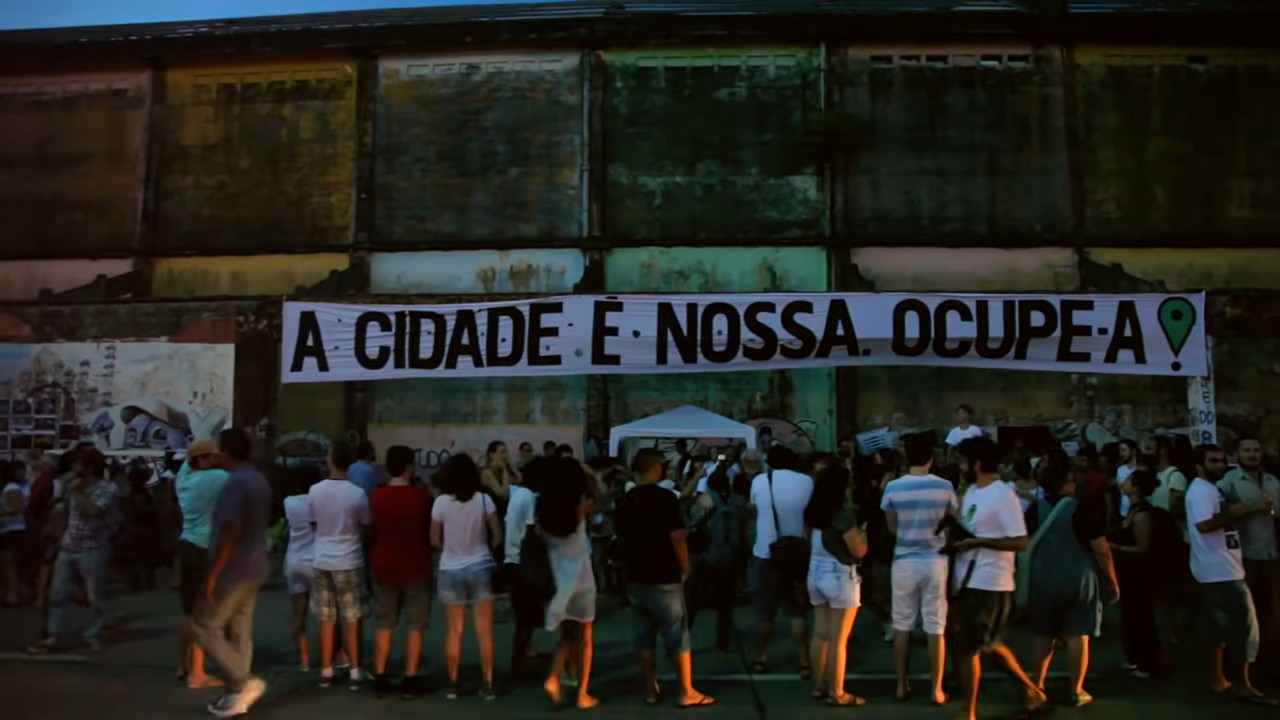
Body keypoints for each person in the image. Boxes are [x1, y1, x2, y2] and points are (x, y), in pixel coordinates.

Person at [949, 437, 1046, 720]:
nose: (960, 466)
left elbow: (1020, 541)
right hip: (968, 578)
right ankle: (1030, 691)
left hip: (991, 580)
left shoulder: (1003, 494)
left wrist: (978, 542)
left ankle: (968, 710)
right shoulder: (972, 492)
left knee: (972, 648)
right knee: (986, 644)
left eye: (963, 461)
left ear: (977, 463)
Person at [615, 448, 714, 709]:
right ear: (656, 468)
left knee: (643, 635)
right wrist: (684, 566)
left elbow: (620, 536)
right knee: (676, 633)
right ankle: (686, 690)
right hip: (664, 574)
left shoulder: (627, 500)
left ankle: (650, 689)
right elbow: (677, 536)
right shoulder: (665, 498)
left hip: (636, 575)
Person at [1185, 443, 1275, 705]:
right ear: (1200, 464)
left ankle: (1218, 679)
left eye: (1223, 461)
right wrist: (1241, 511)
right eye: (1213, 461)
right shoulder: (1202, 491)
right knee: (1245, 629)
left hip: (1219, 566)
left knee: (1217, 628)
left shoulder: (1210, 489)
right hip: (1220, 570)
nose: (1221, 466)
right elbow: (1204, 525)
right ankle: (1242, 684)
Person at [1024, 457, 1118, 706]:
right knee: (1078, 635)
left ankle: (1037, 687)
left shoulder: (1035, 509)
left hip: (1042, 578)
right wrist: (1111, 581)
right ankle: (1076, 690)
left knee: (1043, 635)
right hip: (1079, 578)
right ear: (1067, 481)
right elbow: (1101, 549)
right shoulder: (1081, 509)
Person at [196, 428, 273, 719]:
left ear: (227, 452)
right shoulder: (258, 480)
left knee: (207, 626)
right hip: (255, 563)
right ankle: (237, 694)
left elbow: (231, 529)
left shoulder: (237, 483)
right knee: (240, 628)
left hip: (235, 567)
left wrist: (215, 571)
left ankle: (242, 682)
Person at [880, 433, 957, 704]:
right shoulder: (945, 486)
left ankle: (902, 685)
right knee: (935, 625)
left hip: (904, 560)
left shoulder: (893, 488)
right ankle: (937, 689)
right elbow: (952, 523)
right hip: (935, 560)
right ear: (931, 458)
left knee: (902, 624)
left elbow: (891, 527)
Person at [27, 448, 117, 655]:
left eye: (79, 464)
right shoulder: (69, 482)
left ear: (90, 467)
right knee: (57, 594)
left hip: (93, 548)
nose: (75, 467)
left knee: (95, 597)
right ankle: (54, 635)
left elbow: (94, 511)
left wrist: (76, 492)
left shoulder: (107, 488)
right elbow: (62, 509)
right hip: (69, 546)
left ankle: (91, 635)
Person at [430, 454, 502, 700]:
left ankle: (452, 683)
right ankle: (488, 683)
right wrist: (485, 546)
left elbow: (433, 539)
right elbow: (497, 535)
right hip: (480, 565)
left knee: (454, 631)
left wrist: (448, 549)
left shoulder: (440, 503)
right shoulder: (484, 500)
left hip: (450, 568)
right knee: (484, 631)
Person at [368, 445, 434, 698]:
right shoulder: (420, 498)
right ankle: (410, 677)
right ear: (409, 466)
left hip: (383, 562)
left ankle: (380, 675)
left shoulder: (377, 496)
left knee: (384, 622)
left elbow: (371, 530)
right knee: (415, 624)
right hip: (416, 564)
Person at [537, 457, 601, 710]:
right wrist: (592, 476)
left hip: (559, 579)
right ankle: (582, 693)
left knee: (567, 635)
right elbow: (603, 502)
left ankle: (554, 677)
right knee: (584, 637)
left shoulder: (542, 509)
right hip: (582, 577)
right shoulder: (579, 507)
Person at [308, 440, 373, 689]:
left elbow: (313, 523)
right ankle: (355, 670)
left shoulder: (315, 491)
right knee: (352, 617)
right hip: (350, 558)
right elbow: (366, 525)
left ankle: (326, 670)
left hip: (322, 557)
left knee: (326, 618)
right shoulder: (357, 494)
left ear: (330, 461)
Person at [804, 464, 867, 706]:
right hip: (839, 575)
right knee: (839, 639)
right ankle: (837, 692)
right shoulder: (843, 515)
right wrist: (864, 534)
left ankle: (819, 685)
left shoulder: (814, 512)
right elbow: (858, 550)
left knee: (820, 633)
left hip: (815, 571)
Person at [748, 444, 814, 676]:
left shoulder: (759, 481)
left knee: (764, 612)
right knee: (797, 610)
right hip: (796, 553)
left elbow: (756, 509)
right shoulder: (806, 482)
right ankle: (804, 660)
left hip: (766, 552)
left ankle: (760, 658)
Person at [1218, 435, 1280, 676]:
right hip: (1242, 557)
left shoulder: (1272, 481)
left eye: (1256, 450)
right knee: (1243, 615)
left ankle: (1266, 664)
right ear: (1237, 454)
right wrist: (1252, 507)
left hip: (1269, 554)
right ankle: (1239, 667)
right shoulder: (1228, 482)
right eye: (1247, 450)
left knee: (1270, 614)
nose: (1253, 454)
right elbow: (1220, 517)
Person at [174, 438, 229, 689]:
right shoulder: (216, 478)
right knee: (203, 612)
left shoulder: (183, 480)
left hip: (186, 544)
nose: (217, 459)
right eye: (212, 456)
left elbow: (187, 463)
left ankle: (182, 664)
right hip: (204, 547)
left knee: (188, 612)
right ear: (203, 459)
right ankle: (198, 673)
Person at [1109, 468, 1171, 678]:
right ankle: (1136, 658)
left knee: (1141, 617)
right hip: (1130, 574)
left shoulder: (1142, 514)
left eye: (1128, 480)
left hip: (1141, 575)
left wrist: (1114, 548)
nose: (1123, 483)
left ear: (1135, 487)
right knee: (1132, 617)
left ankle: (1149, 662)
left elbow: (1143, 548)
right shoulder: (1134, 511)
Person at [505, 456, 546, 677]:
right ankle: (518, 660)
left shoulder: (519, 495)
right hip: (523, 562)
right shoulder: (529, 497)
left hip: (514, 559)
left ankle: (523, 653)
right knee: (526, 617)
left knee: (525, 615)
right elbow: (531, 532)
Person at [282, 465, 321, 671]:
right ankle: (332, 655)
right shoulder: (316, 501)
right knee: (324, 614)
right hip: (315, 560)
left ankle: (304, 660)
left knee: (298, 613)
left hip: (293, 559)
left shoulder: (288, 502)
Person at [0, 460, 32, 606]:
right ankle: (14, 594)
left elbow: (17, 507)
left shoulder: (10, 487)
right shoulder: (10, 487)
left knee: (10, 565)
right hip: (10, 529)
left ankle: (13, 595)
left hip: (12, 529)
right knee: (10, 565)